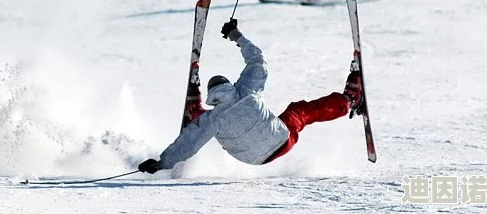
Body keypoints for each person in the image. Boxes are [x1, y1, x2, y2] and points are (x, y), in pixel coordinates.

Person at [138, 19, 363, 174]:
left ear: (212, 96)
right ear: (228, 85)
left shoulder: (212, 118)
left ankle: (194, 107)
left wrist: (162, 163)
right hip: (281, 141)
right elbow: (257, 60)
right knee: (300, 111)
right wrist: (236, 35)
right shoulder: (245, 89)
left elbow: (189, 143)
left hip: (252, 160)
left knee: (202, 127)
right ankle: (350, 100)